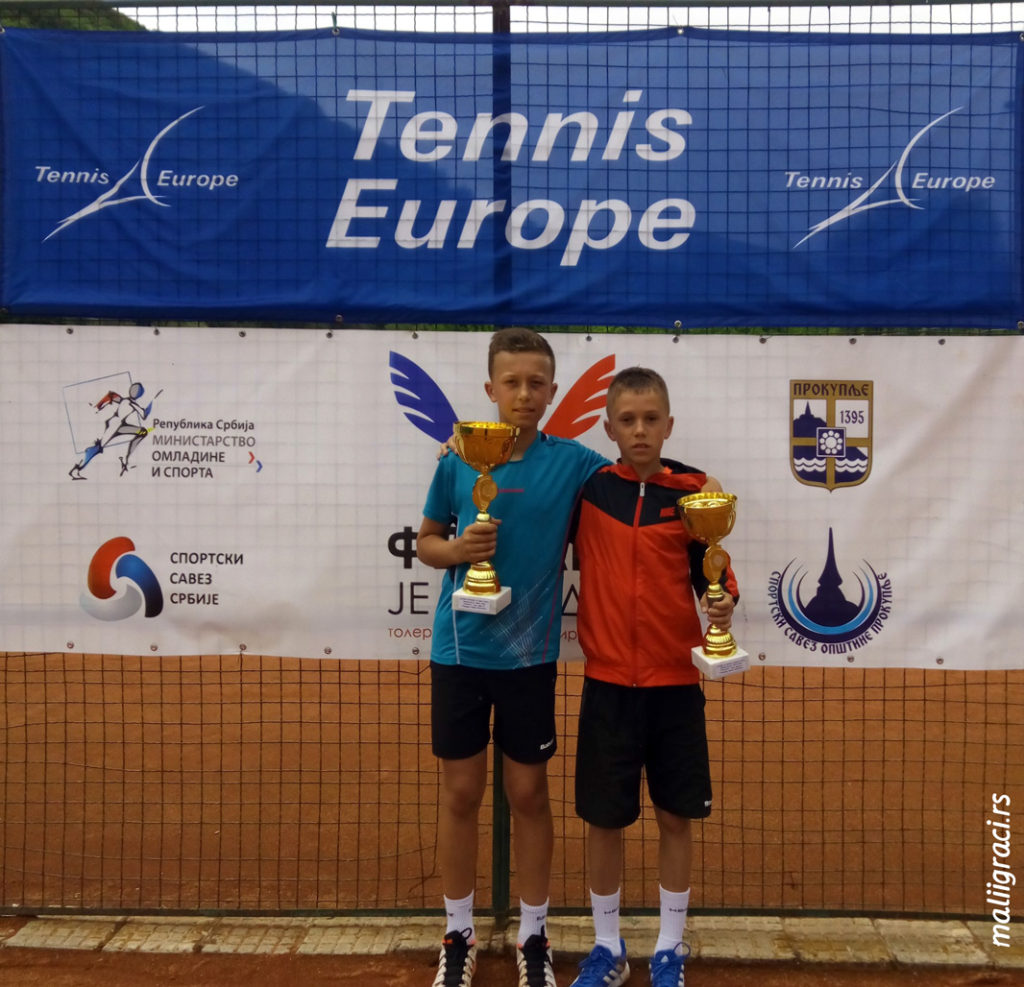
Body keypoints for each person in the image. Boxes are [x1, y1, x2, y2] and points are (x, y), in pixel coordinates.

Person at [416, 327, 608, 987]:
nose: (524, 394)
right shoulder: (458, 458)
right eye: (512, 382)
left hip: (529, 658)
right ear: (490, 389)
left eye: (536, 383)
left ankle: (533, 935)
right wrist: (458, 553)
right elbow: (427, 542)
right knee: (462, 791)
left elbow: (638, 482)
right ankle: (459, 931)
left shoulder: (577, 462)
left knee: (528, 792)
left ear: (553, 391)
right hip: (460, 649)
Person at [569, 367, 739, 987]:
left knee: (675, 817)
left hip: (674, 686)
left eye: (651, 419)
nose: (640, 431)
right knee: (604, 819)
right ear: (608, 427)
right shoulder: (588, 491)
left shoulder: (696, 493)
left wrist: (721, 604)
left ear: (669, 424)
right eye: (627, 420)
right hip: (608, 684)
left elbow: (715, 580)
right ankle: (607, 948)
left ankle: (670, 946)